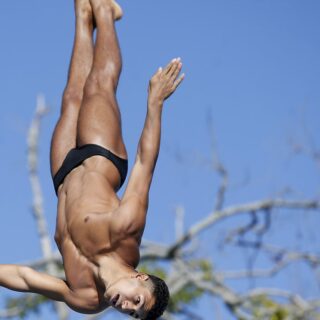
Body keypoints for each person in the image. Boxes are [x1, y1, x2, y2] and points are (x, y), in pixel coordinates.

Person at [0, 0, 184, 319]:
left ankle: (84, 15)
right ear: (139, 278)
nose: (124, 306)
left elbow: (26, 278)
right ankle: (106, 14)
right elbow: (144, 163)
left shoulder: (85, 298)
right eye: (135, 301)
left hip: (64, 174)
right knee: (100, 83)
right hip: (102, 156)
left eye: (130, 314)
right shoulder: (125, 231)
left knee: (73, 96)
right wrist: (154, 104)